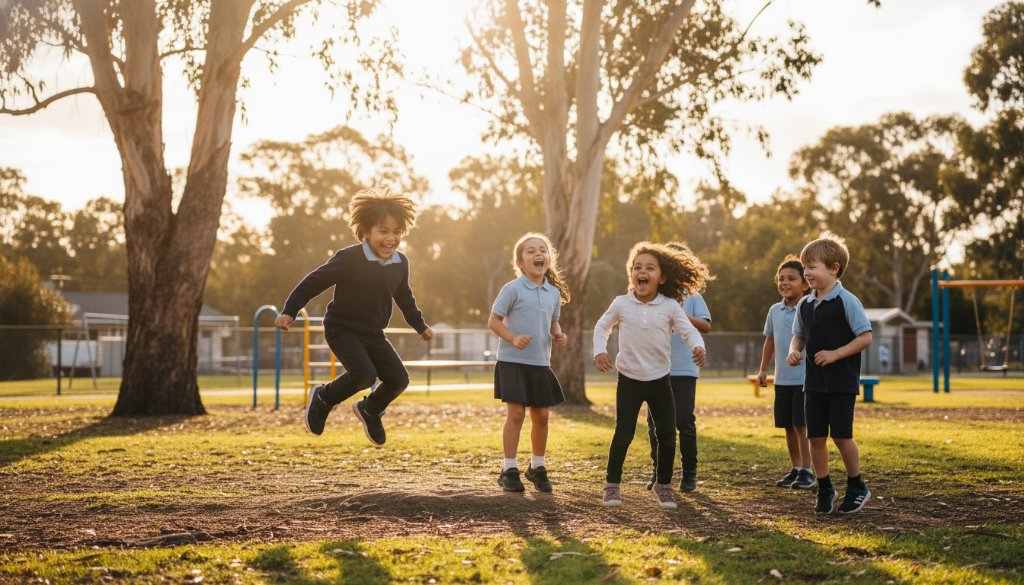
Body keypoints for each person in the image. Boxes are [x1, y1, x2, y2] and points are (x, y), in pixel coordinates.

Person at [275, 187, 433, 446]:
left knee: (398, 379)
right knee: (364, 375)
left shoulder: (400, 263)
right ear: (366, 231)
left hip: (373, 333)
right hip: (342, 329)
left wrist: (420, 325)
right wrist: (289, 311)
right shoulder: (349, 258)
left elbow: (404, 296)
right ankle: (323, 398)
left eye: (396, 232)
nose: (390, 238)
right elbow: (313, 282)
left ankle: (370, 410)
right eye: (383, 231)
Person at [594, 242, 709, 509]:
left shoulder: (669, 306)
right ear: (631, 275)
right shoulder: (621, 303)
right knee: (623, 432)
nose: (642, 272)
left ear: (662, 277)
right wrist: (600, 352)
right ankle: (612, 486)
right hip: (629, 379)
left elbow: (689, 331)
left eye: (649, 268)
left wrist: (698, 346)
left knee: (668, 434)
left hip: (659, 380)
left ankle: (664, 485)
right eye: (637, 268)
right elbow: (602, 327)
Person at [787, 231, 873, 514]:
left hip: (841, 383)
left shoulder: (847, 301)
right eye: (805, 267)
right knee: (815, 437)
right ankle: (825, 487)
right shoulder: (804, 304)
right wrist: (794, 350)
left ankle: (857, 485)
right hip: (813, 384)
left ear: (834, 268)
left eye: (812, 267)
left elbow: (865, 337)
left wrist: (836, 354)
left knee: (841, 436)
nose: (806, 273)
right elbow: (798, 336)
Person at [488, 233, 571, 493]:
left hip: (540, 364)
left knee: (542, 416)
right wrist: (513, 338)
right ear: (520, 262)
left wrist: (558, 334)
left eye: (543, 250)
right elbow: (494, 321)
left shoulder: (553, 292)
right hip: (512, 362)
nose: (538, 254)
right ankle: (509, 469)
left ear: (549, 259)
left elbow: (553, 320)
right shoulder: (512, 289)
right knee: (515, 415)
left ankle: (537, 467)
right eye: (531, 251)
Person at [644, 242, 712, 493]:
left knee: (684, 421)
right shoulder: (651, 294)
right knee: (655, 424)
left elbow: (705, 326)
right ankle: (659, 473)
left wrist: (679, 316)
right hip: (654, 370)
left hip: (684, 369)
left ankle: (689, 473)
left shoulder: (692, 295)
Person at [757, 255, 815, 490]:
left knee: (802, 426)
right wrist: (763, 369)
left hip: (804, 380)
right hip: (782, 380)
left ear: (805, 284)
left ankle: (808, 471)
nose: (785, 283)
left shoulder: (810, 307)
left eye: (791, 278)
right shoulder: (774, 310)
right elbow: (770, 341)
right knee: (788, 426)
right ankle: (796, 467)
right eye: (781, 279)